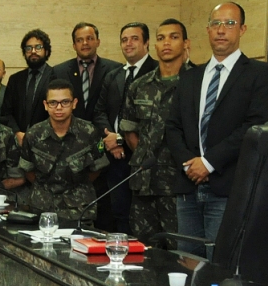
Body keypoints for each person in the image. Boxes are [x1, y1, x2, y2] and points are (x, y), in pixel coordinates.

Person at [165, 1, 268, 257]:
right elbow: (172, 126)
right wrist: (189, 164)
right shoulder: (190, 76)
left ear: (243, 29)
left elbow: (255, 127)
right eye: (216, 23)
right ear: (207, 30)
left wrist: (209, 162)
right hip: (188, 185)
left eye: (229, 24)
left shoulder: (260, 74)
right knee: (188, 264)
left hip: (228, 185)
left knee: (218, 266)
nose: (221, 30)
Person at [118, 19, 188, 245]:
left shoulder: (196, 82)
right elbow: (129, 128)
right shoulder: (140, 85)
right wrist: (146, 156)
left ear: (186, 44)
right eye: (161, 38)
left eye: (173, 37)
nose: (166, 43)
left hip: (180, 186)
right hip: (144, 183)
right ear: (153, 45)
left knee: (181, 252)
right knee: (144, 252)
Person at [92, 22, 159, 232]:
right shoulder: (114, 75)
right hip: (116, 157)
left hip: (147, 157)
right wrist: (112, 139)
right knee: (119, 211)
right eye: (124, 39)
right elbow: (99, 111)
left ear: (147, 42)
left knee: (146, 218)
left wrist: (121, 138)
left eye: (134, 38)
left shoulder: (157, 71)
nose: (128, 44)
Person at [19, 79, 109, 224]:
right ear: (45, 105)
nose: (59, 107)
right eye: (53, 103)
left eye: (65, 102)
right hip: (42, 209)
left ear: (74, 103)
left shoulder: (89, 132)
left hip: (79, 210)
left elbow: (97, 169)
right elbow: (28, 170)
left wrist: (75, 188)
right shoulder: (33, 134)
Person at [54, 23, 122, 122]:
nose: (85, 43)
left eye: (89, 38)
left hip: (104, 133)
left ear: (98, 42)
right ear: (74, 46)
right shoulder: (59, 71)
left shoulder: (115, 69)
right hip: (70, 133)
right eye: (79, 40)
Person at [1, 29, 54, 145]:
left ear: (46, 51)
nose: (33, 51)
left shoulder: (56, 76)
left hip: (48, 141)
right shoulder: (15, 79)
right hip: (18, 142)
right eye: (28, 48)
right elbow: (6, 113)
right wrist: (17, 133)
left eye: (38, 47)